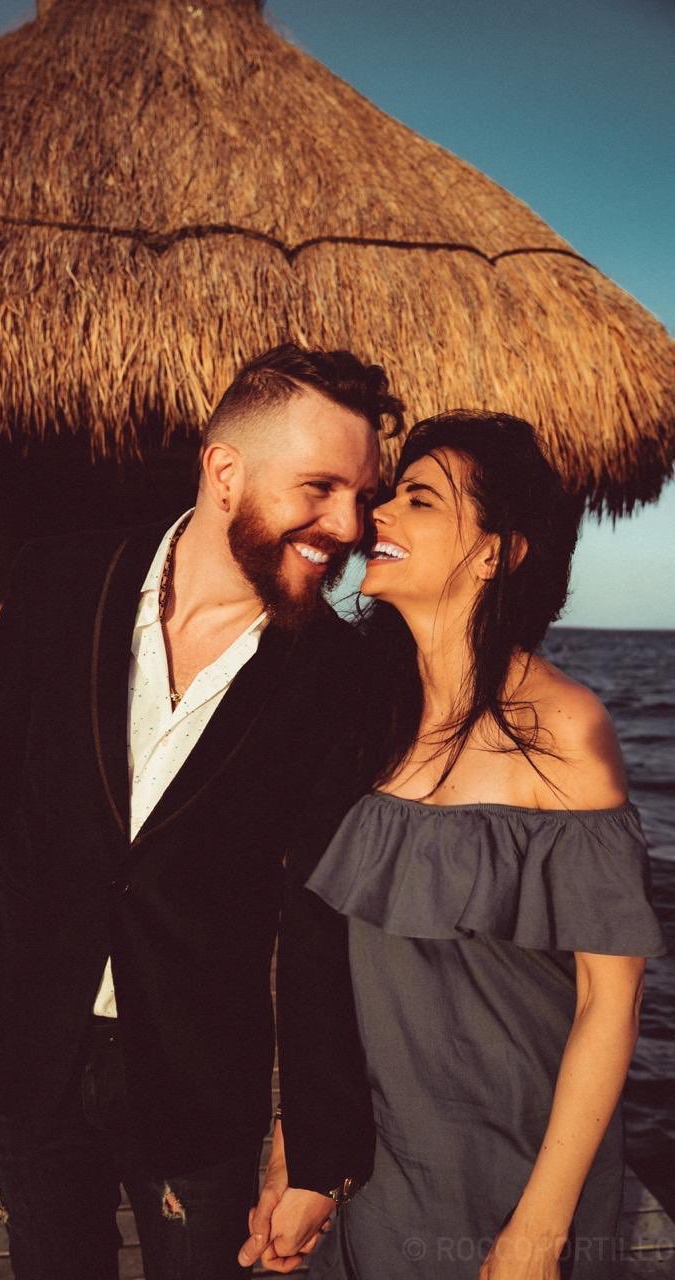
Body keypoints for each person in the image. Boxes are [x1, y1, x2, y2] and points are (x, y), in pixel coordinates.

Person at [0, 343, 405, 1280]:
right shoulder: (60, 582)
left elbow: (320, 919)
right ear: (225, 472)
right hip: (28, 1044)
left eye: (362, 495)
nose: (349, 525)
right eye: (319, 487)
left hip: (198, 1081)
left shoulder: (339, 673)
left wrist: (313, 1144)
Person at [305, 411, 665, 1280]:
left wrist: (539, 1229)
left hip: (514, 1179)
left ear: (497, 553)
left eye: (420, 499)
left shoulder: (565, 728)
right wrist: (302, 1146)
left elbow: (608, 1003)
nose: (381, 513)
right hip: (381, 1169)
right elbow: (323, 969)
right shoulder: (374, 722)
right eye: (393, 494)